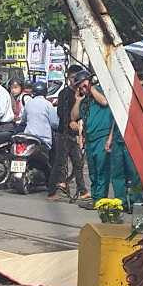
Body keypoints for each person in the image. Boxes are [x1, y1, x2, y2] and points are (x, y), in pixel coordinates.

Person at [83, 76, 134, 207]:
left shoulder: (102, 91)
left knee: (103, 171)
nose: (83, 89)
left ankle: (103, 199)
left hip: (105, 137)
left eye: (84, 86)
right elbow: (74, 115)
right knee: (95, 171)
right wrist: (79, 98)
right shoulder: (86, 101)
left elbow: (105, 102)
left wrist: (92, 89)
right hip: (92, 139)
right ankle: (98, 199)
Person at [50, 67, 87, 200]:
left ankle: (82, 190)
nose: (74, 81)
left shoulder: (82, 94)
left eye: (77, 78)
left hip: (75, 134)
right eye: (72, 78)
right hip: (63, 133)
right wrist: (69, 122)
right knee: (60, 163)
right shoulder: (64, 93)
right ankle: (52, 191)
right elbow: (61, 113)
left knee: (78, 163)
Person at [19, 79, 58, 189]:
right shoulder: (48, 105)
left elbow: (23, 120)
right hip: (43, 139)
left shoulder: (29, 104)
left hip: (27, 138)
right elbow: (54, 123)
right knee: (52, 160)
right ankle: (51, 184)